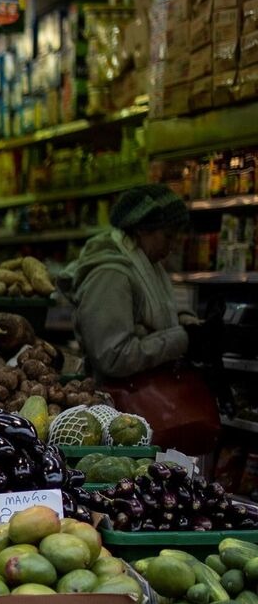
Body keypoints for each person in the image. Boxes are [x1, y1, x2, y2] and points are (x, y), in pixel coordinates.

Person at [68, 184, 217, 452]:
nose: (172, 247)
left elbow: (151, 315)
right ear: (141, 229)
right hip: (122, 416)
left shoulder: (147, 265)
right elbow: (112, 355)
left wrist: (185, 322)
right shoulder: (112, 274)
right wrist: (182, 339)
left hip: (143, 409)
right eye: (168, 236)